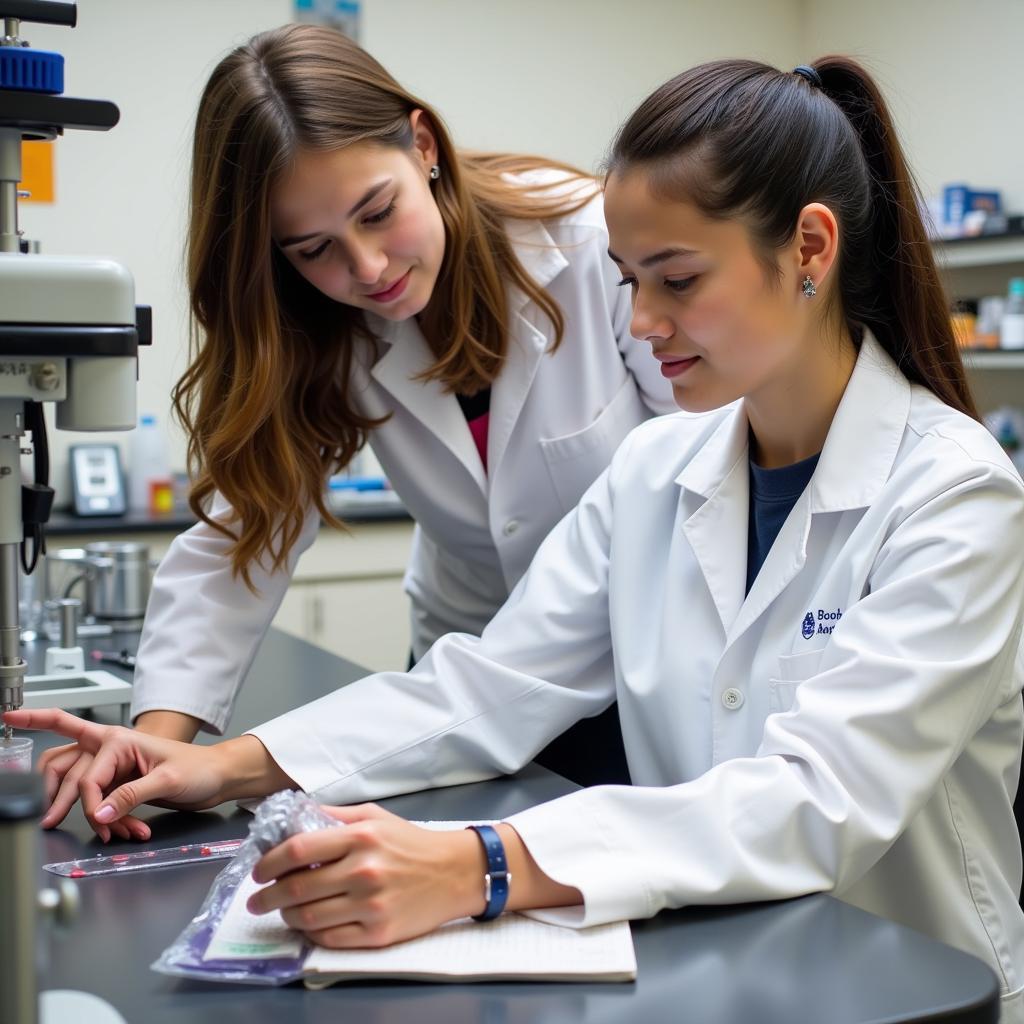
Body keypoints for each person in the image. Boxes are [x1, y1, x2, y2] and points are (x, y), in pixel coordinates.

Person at [11, 54, 1024, 1019]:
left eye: (676, 279)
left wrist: (479, 863)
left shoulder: (953, 494)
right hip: (725, 956)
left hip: (906, 979)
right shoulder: (654, 467)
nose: (642, 323)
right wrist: (216, 763)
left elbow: (815, 798)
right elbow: (488, 683)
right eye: (629, 283)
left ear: (808, 248)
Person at [35, 23, 675, 837]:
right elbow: (243, 534)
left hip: (637, 664)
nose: (367, 269)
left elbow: (695, 481)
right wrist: (150, 751)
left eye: (379, 212)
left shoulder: (598, 253)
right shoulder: (320, 327)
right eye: (314, 250)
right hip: (462, 671)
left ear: (424, 145)